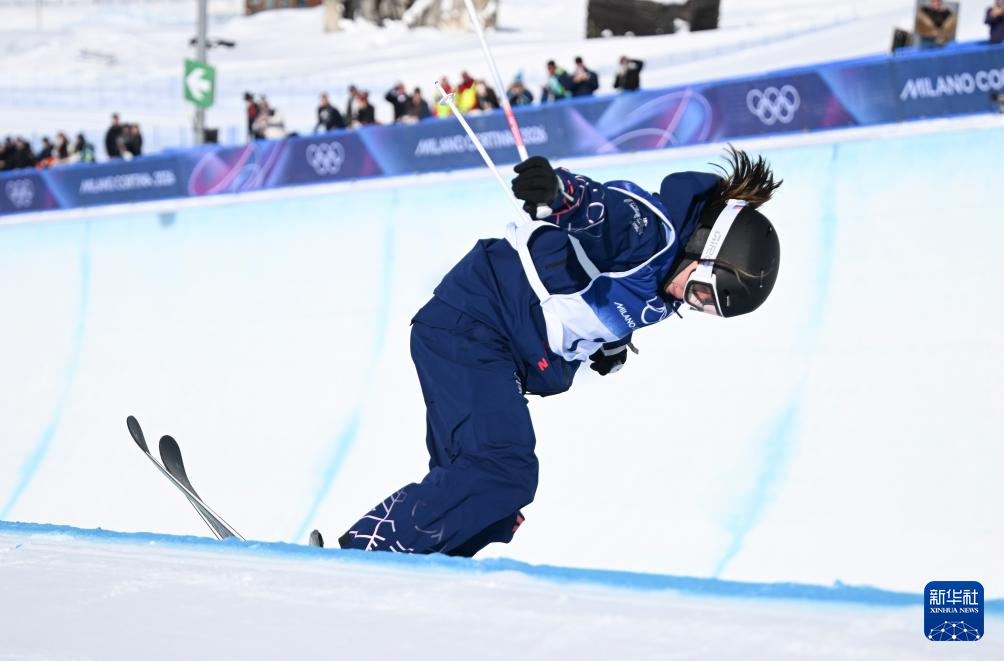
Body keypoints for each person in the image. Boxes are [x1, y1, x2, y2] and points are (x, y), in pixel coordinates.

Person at [337, 148, 782, 556]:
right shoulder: (651, 236)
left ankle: (416, 570)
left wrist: (610, 344)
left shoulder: (670, 285)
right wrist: (559, 192)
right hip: (476, 324)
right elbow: (602, 214)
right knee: (501, 471)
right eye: (704, 290)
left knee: (490, 506)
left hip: (492, 342)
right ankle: (368, 555)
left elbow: (608, 292)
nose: (695, 302)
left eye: (708, 307)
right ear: (704, 244)